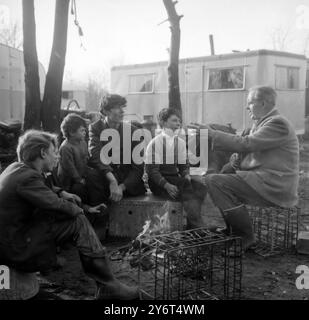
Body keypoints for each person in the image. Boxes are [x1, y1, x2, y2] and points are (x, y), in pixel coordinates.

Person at [0, 130, 139, 300]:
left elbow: (42, 189)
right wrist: (83, 210)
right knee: (77, 220)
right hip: (14, 246)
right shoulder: (28, 178)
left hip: (12, 237)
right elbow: (54, 204)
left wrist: (61, 192)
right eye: (54, 152)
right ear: (43, 153)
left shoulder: (17, 169)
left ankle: (107, 284)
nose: (56, 157)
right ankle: (108, 286)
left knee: (70, 216)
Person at [203, 85, 299, 251]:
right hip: (261, 179)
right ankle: (233, 229)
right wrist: (235, 160)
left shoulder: (277, 123)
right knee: (222, 174)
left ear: (263, 103)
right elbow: (250, 149)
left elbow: (248, 144)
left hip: (274, 184)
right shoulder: (261, 124)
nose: (247, 107)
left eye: (250, 103)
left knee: (215, 181)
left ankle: (245, 236)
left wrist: (212, 134)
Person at [145, 108, 207, 229]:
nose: (178, 123)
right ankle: (197, 226)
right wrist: (166, 185)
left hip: (175, 179)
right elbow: (152, 172)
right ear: (163, 123)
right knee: (185, 186)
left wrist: (186, 175)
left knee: (200, 187)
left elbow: (183, 165)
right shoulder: (155, 143)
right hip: (158, 183)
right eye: (174, 120)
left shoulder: (180, 143)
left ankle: (192, 224)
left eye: (179, 121)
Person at [88, 94, 146, 205]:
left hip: (128, 183)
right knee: (92, 175)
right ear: (106, 111)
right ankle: (101, 217)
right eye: (117, 107)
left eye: (122, 107)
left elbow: (138, 167)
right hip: (106, 179)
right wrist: (112, 180)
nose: (122, 111)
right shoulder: (95, 128)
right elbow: (96, 156)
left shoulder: (133, 131)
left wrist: (121, 187)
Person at [57, 113, 89, 203]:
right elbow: (69, 168)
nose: (85, 132)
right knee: (79, 190)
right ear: (71, 132)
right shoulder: (66, 147)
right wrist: (79, 179)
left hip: (80, 175)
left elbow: (85, 158)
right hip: (68, 182)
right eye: (82, 130)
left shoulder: (82, 142)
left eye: (85, 130)